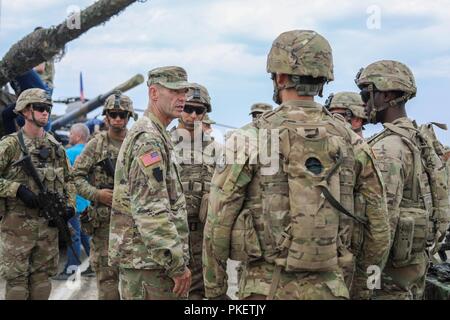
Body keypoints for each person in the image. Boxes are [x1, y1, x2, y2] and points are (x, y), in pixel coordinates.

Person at [203, 30, 391, 300]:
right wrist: (361, 289)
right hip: (332, 288)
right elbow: (378, 229)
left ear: (279, 77)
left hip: (263, 290)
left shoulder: (249, 138)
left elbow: (218, 222)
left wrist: (215, 290)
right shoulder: (353, 142)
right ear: (324, 78)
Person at [356, 60, 450, 299]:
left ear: (387, 94)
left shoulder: (388, 147)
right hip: (413, 264)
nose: (363, 103)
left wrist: (364, 281)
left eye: (367, 94)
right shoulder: (418, 138)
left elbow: (381, 224)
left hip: (388, 272)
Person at [108, 66, 192, 300]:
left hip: (150, 261)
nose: (182, 98)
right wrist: (176, 265)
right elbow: (150, 210)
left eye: (184, 91)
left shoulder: (156, 133)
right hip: (149, 265)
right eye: (174, 91)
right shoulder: (148, 140)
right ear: (154, 93)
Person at [0, 88, 75, 300]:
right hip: (17, 229)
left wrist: (69, 206)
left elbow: (69, 180)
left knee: (42, 282)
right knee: (16, 286)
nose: (46, 113)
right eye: (40, 108)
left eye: (48, 109)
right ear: (25, 111)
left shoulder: (55, 147)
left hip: (47, 228)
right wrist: (17, 189)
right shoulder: (11, 145)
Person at [73, 91, 137, 300]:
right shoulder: (96, 145)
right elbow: (75, 178)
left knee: (134, 282)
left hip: (134, 223)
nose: (118, 118)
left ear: (129, 117)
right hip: (104, 226)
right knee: (107, 282)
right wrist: (98, 194)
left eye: (122, 114)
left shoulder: (136, 144)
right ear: (106, 116)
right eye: (113, 114)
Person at [170, 83, 221, 299]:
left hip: (203, 233)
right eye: (188, 109)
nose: (192, 115)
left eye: (198, 111)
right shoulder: (164, 143)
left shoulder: (217, 149)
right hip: (171, 233)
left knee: (199, 292)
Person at [54, 123, 92, 280]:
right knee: (84, 235)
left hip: (73, 201)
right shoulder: (90, 153)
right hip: (87, 202)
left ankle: (71, 269)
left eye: (70, 134)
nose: (69, 136)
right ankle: (94, 265)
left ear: (77, 136)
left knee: (73, 236)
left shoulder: (69, 153)